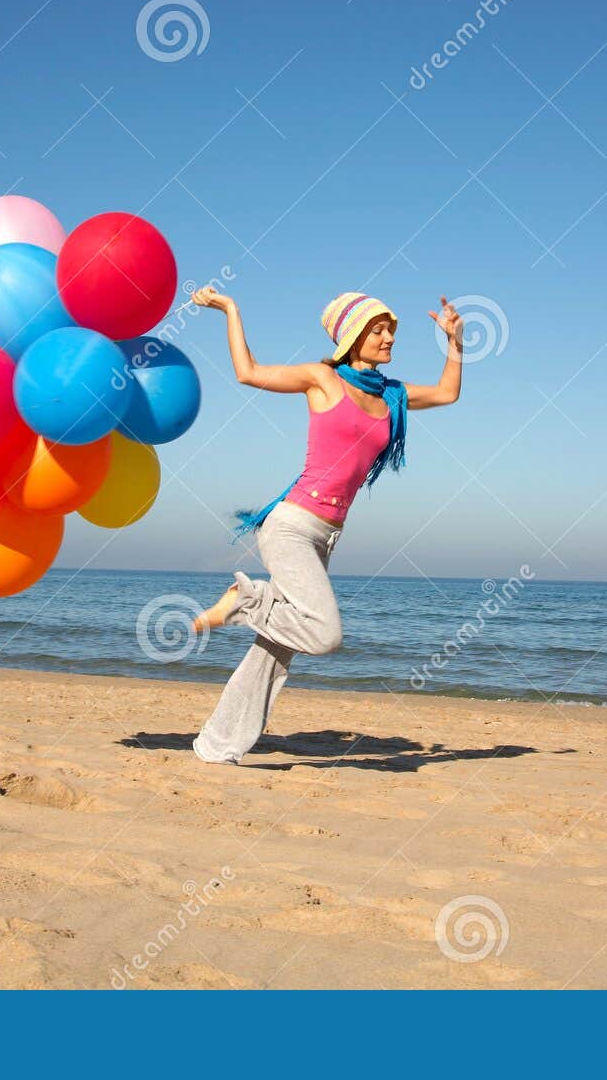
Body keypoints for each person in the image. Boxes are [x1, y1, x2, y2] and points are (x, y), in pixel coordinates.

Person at [185, 288, 465, 764]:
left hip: (326, 537)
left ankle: (218, 745)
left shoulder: (392, 395)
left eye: (390, 330)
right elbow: (248, 372)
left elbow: (447, 393)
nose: (389, 337)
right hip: (292, 525)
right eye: (378, 330)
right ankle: (246, 600)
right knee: (324, 633)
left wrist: (454, 342)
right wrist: (231, 309)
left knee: (274, 653)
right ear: (352, 336)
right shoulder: (323, 379)